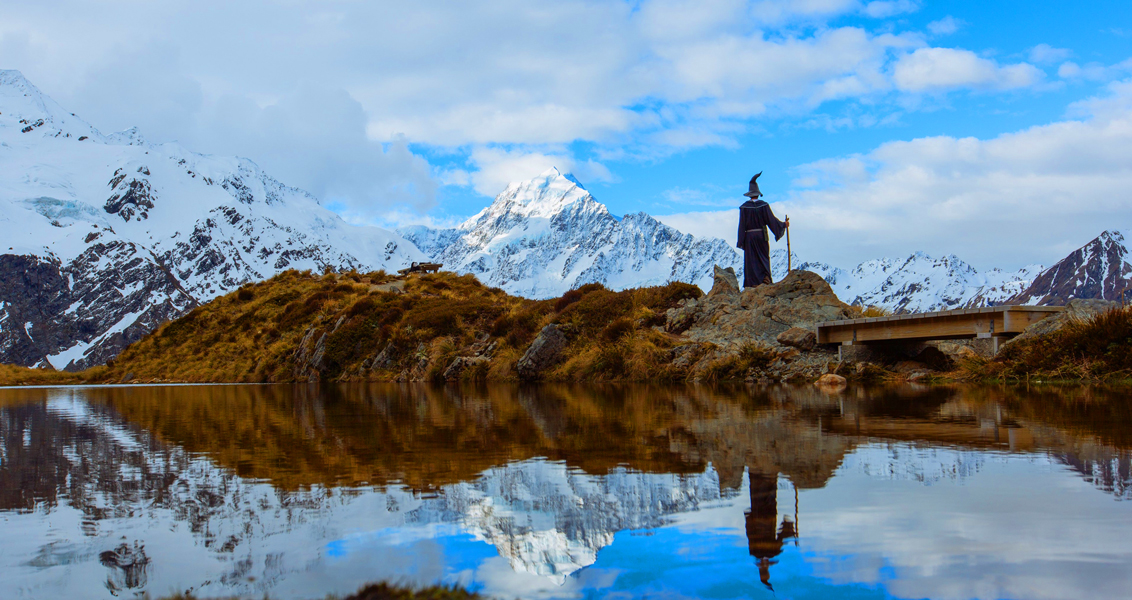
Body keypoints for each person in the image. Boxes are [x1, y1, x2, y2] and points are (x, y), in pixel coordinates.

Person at [736, 172, 789, 288]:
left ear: (749, 194)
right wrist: (783, 225)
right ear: (758, 194)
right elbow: (771, 220)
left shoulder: (744, 207)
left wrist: (741, 241)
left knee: (751, 259)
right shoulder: (763, 205)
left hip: (749, 237)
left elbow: (742, 225)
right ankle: (765, 278)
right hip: (761, 235)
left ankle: (752, 282)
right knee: (763, 257)